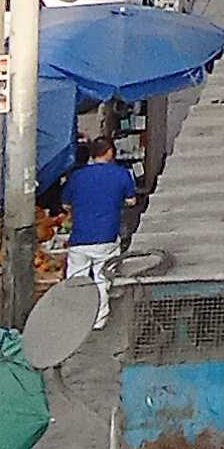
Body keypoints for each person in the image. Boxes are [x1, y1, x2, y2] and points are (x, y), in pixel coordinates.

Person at [61, 135, 137, 325]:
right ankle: (98, 320)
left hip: (79, 238)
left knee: (76, 280)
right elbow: (131, 201)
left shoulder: (77, 176)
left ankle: (76, 320)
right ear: (110, 152)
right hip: (106, 237)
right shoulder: (121, 174)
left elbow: (66, 204)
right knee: (102, 279)